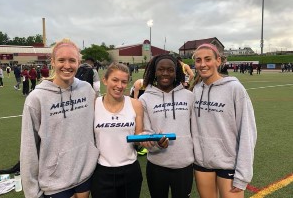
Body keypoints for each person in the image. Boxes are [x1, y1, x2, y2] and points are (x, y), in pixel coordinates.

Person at [20, 38, 99, 198]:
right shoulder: (37, 98)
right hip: (54, 182)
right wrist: (31, 193)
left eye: (72, 60)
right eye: (61, 60)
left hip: (85, 175)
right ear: (53, 62)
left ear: (79, 62)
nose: (67, 65)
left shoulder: (87, 90)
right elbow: (28, 148)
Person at [191, 43, 257, 198]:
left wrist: (243, 173)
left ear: (218, 61)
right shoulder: (196, 90)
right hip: (202, 163)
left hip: (229, 163)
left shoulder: (234, 88)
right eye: (198, 60)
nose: (203, 64)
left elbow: (247, 131)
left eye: (208, 59)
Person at [139, 54, 195, 198]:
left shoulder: (188, 96)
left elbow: (195, 129)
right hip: (157, 165)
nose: (165, 73)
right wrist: (155, 143)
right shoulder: (145, 98)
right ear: (154, 72)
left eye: (170, 70)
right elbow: (145, 131)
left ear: (176, 72)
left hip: (184, 164)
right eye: (161, 69)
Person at [91, 62, 144, 198]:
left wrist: (146, 139)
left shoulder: (135, 104)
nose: (119, 86)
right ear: (105, 80)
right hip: (101, 172)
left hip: (130, 170)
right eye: (115, 80)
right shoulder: (94, 104)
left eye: (124, 82)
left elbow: (138, 138)